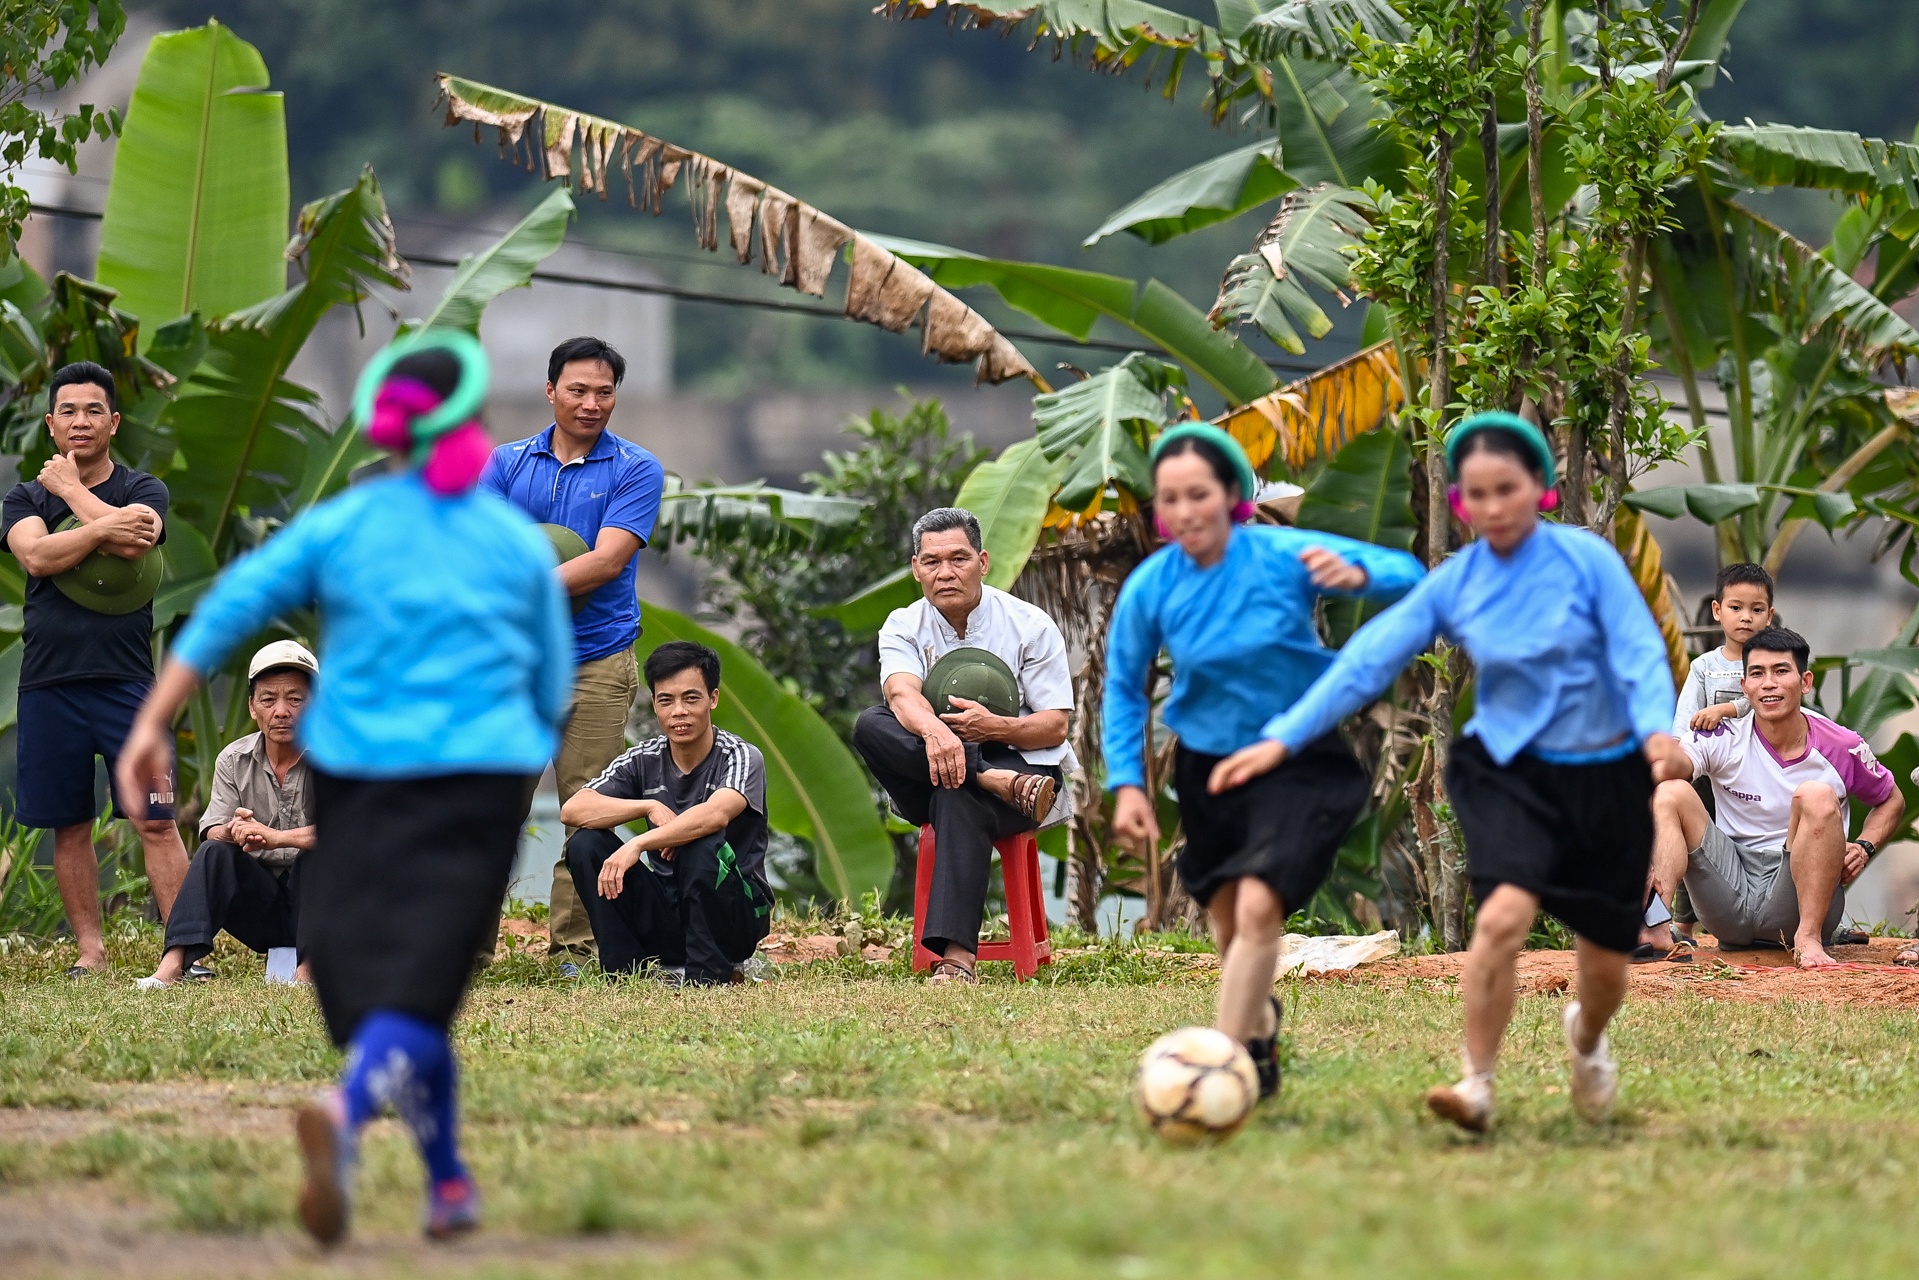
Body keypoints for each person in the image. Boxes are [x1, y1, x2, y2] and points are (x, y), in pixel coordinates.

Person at [116, 330, 573, 1245]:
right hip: (473, 784)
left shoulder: (346, 522)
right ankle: (349, 1112)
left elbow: (231, 606)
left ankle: (447, 1184)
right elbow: (551, 685)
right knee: (421, 993)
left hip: (357, 783)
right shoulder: (512, 544)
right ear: (471, 425)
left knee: (390, 994)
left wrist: (150, 721)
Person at [1211, 411, 1689, 1133]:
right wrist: (1282, 738)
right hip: (1504, 768)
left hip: (1604, 772)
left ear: (1540, 488)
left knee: (1603, 965)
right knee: (1500, 919)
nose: (1493, 508)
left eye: (1507, 489)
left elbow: (1636, 650)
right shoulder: (1457, 582)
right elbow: (1365, 660)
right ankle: (1477, 1083)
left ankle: (1585, 1041)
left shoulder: (1587, 563)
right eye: (1477, 496)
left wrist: (1657, 727)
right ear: (1459, 503)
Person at [1105, 424, 1423, 1098]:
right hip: (1208, 768)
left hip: (1298, 758)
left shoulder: (1281, 553)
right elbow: (1123, 687)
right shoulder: (1150, 586)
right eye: (1170, 499)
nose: (1185, 511)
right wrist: (1127, 784)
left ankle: (1216, 1071)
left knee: (1256, 912)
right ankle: (1259, 1028)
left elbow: (1411, 575)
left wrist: (1358, 573)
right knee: (1227, 922)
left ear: (1230, 497)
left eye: (1198, 494)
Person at [480, 336, 665, 961]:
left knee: (587, 805)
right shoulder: (506, 464)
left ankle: (576, 949)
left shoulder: (636, 469)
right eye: (578, 390)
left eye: (604, 392)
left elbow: (608, 561)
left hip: (598, 659)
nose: (591, 403)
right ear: (550, 389)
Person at [1, 361, 189, 977]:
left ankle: (185, 950)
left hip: (130, 683)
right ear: (52, 423)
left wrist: (75, 498)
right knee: (69, 823)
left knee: (155, 817)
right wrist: (104, 526)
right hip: (49, 684)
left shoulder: (145, 488)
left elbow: (141, 540)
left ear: (113, 421)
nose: (80, 422)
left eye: (93, 411)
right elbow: (34, 555)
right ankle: (91, 953)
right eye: (69, 412)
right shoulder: (23, 497)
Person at [851, 507, 1075, 985]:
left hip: (1028, 776)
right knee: (871, 723)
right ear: (916, 568)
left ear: (983, 561)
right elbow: (901, 694)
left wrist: (996, 727)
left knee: (954, 795)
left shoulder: (1029, 625)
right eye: (931, 562)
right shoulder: (903, 623)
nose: (945, 572)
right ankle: (985, 776)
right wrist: (938, 734)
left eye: (958, 558)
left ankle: (956, 962)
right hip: (935, 764)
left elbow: (1055, 726)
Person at [1651, 626, 1901, 968]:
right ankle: (1654, 926)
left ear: (1805, 681)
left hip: (1797, 900)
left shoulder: (1842, 744)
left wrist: (1865, 845)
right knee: (1670, 792)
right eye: (1757, 673)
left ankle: (1809, 940)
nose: (1768, 683)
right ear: (1745, 687)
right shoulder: (1724, 734)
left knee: (1815, 794)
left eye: (1781, 671)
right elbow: (1676, 766)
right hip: (1730, 891)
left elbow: (1891, 799)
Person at [560, 641, 773, 985]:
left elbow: (715, 815)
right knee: (585, 845)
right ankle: (625, 975)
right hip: (669, 912)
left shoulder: (740, 755)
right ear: (656, 706)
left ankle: (708, 977)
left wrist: (637, 844)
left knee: (702, 845)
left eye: (691, 698)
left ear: (713, 699)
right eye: (666, 700)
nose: (679, 711)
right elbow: (574, 809)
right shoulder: (645, 757)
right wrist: (649, 806)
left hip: (735, 916)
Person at [136, 641, 321, 990]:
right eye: (268, 700)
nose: (281, 711)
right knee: (213, 852)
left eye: (295, 699)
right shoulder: (233, 759)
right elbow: (212, 830)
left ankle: (308, 971)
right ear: (253, 708)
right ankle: (171, 966)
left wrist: (276, 837)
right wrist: (235, 831)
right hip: (261, 906)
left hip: (324, 907)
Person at [1664, 562, 1775, 943]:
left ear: (1769, 615)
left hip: (1762, 776)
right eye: (1736, 607)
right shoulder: (1704, 669)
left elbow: (1773, 704)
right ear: (1717, 610)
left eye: (1756, 610)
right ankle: (1680, 925)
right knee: (1696, 847)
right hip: (1710, 778)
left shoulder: (1773, 665)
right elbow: (1682, 724)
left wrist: (1726, 709)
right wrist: (1683, 764)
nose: (1746, 617)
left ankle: (1815, 914)